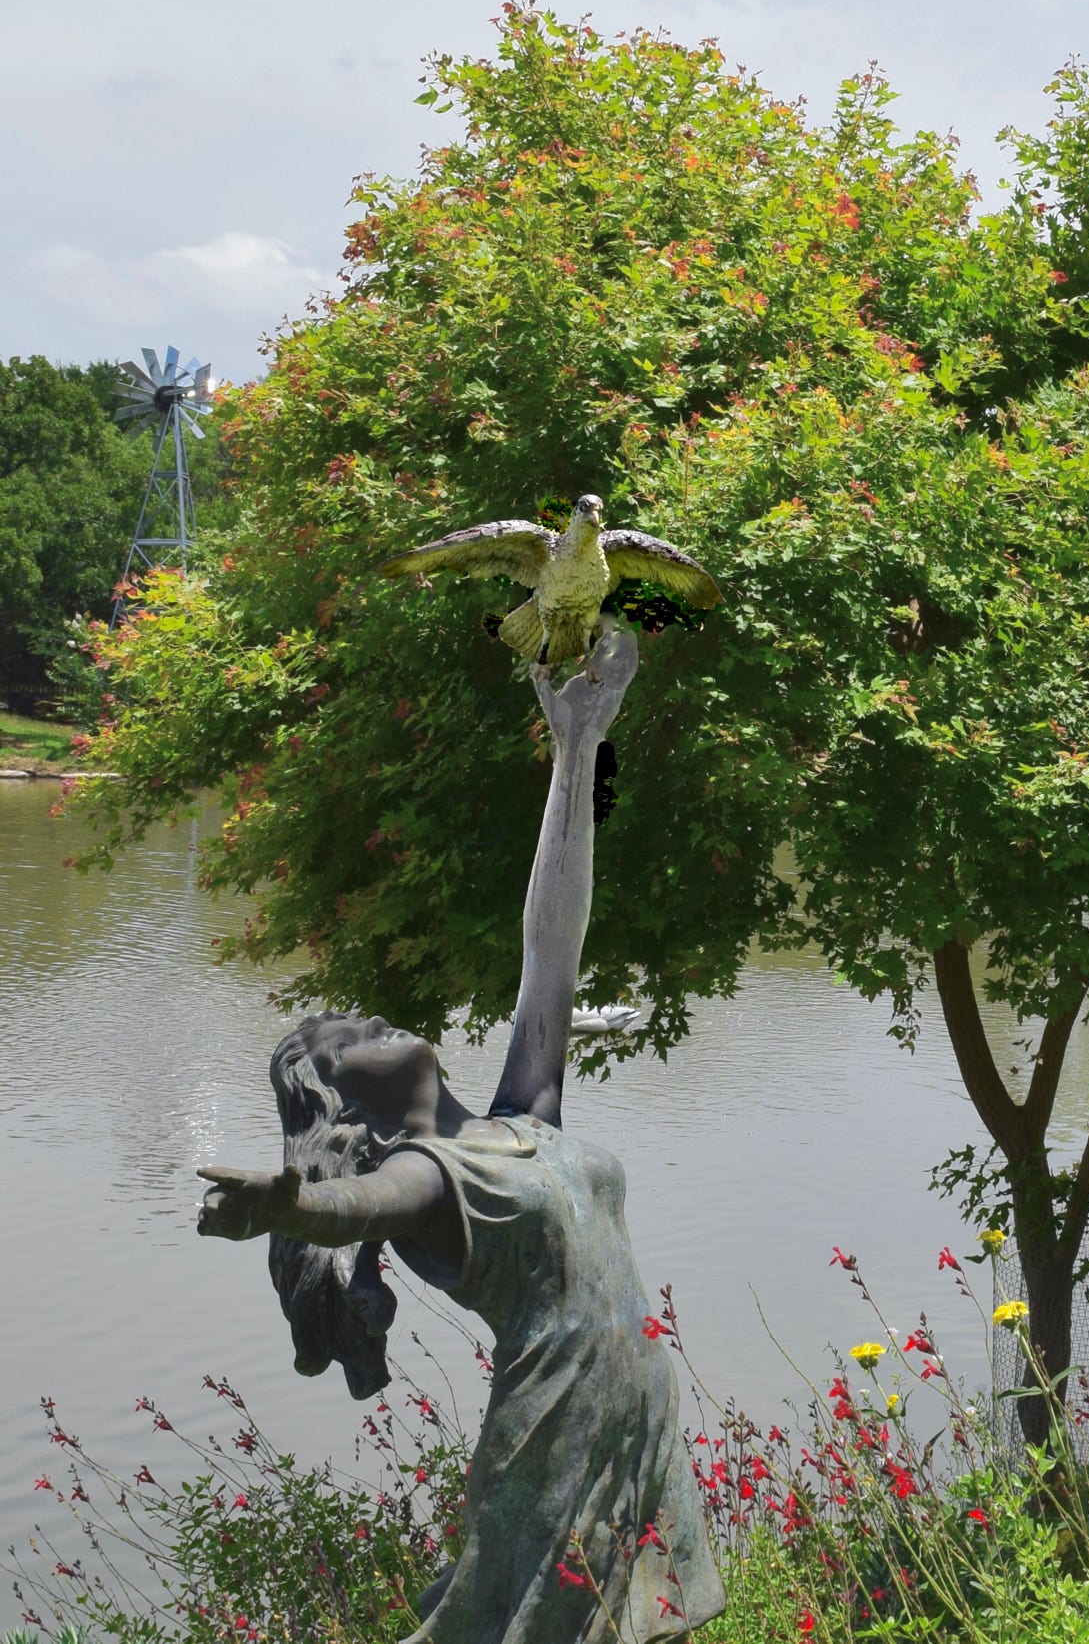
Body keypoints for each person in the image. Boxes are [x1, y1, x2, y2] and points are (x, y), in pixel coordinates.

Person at [197, 622, 723, 1642]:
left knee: (648, 1626)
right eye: (349, 1038)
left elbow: (552, 939)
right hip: (557, 1426)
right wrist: (295, 1204)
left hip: (634, 1405)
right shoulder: (424, 1178)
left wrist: (578, 747)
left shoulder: (520, 1112)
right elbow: (358, 1209)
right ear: (351, 1105)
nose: (373, 1020)